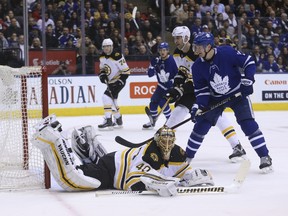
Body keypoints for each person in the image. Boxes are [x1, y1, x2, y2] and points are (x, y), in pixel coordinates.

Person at [31, 115, 214, 197]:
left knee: (90, 172)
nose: (166, 146)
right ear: (156, 142)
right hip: (111, 171)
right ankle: (52, 138)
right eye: (163, 142)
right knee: (74, 181)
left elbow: (183, 172)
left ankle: (88, 151)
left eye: (169, 141)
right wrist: (159, 183)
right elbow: (131, 182)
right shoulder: (150, 154)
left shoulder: (178, 154)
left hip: (115, 160)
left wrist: (192, 177)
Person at [189, 32, 273, 173]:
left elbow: (248, 62)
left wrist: (248, 79)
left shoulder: (227, 52)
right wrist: (199, 106)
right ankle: (187, 158)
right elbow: (202, 91)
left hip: (237, 94)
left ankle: (265, 156)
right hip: (216, 98)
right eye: (195, 47)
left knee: (248, 124)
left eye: (199, 47)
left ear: (208, 46)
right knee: (201, 125)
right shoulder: (197, 66)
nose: (196, 50)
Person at [165, 26, 246, 162]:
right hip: (192, 90)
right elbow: (182, 72)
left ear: (186, 38)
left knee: (218, 117)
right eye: (174, 38)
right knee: (175, 116)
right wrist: (177, 86)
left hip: (206, 90)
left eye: (178, 37)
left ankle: (237, 145)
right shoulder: (177, 53)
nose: (175, 40)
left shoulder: (197, 51)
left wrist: (181, 89)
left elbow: (197, 78)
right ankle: (163, 148)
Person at [143, 42, 178, 129]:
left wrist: (172, 82)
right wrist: (152, 65)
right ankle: (153, 121)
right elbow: (150, 74)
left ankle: (170, 122)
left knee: (163, 103)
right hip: (161, 86)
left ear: (168, 51)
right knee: (153, 102)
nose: (162, 52)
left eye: (164, 50)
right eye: (161, 50)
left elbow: (178, 74)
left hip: (170, 87)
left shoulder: (172, 61)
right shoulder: (157, 60)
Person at [98, 38, 130, 130]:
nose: (106, 48)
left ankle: (108, 120)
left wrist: (120, 82)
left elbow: (126, 71)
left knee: (105, 97)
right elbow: (102, 69)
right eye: (104, 46)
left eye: (108, 46)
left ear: (112, 46)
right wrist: (102, 75)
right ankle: (118, 119)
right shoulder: (102, 57)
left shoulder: (117, 56)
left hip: (119, 81)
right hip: (110, 82)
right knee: (112, 101)